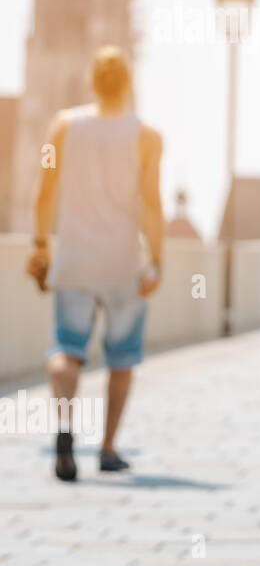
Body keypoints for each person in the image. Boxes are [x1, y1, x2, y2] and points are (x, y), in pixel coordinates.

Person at [25, 47, 164, 481]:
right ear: (128, 83)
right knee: (121, 360)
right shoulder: (146, 135)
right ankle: (106, 449)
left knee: (67, 349)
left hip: (75, 258)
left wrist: (40, 244)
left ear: (92, 82)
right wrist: (156, 259)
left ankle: (65, 433)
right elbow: (151, 202)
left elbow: (44, 189)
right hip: (122, 261)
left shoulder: (63, 126)